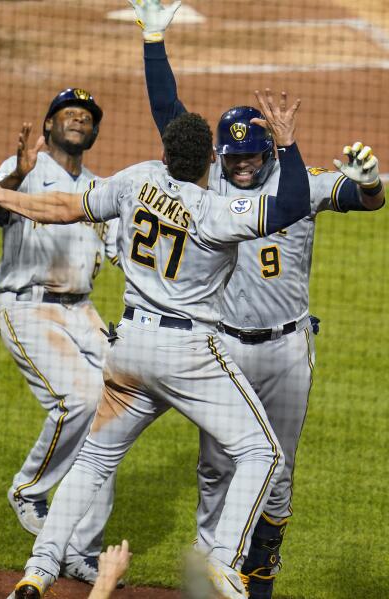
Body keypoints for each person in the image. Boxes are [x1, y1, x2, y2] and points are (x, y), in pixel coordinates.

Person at [0, 88, 311, 599]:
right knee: (262, 451)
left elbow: (64, 208)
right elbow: (292, 201)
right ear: (212, 159)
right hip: (188, 355)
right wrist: (289, 144)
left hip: (129, 349)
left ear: (165, 155)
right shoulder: (217, 212)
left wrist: (6, 196)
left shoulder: (137, 180)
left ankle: (39, 569)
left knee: (96, 458)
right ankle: (224, 559)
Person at [128, 2, 386, 597]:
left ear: (269, 153)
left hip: (289, 352)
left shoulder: (300, 184)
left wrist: (370, 182)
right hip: (222, 351)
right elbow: (170, 117)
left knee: (278, 476)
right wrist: (153, 38)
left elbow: (368, 201)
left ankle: (259, 580)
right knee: (217, 467)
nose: (240, 166)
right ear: (219, 156)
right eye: (232, 156)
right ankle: (205, 572)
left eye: (250, 156)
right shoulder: (210, 183)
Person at [0, 88, 122, 585]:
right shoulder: (27, 168)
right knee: (81, 398)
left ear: (93, 132)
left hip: (83, 313)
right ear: (47, 128)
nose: (77, 120)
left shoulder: (97, 188)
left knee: (115, 414)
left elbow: (120, 253)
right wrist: (17, 175)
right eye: (67, 114)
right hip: (30, 308)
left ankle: (79, 548)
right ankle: (29, 488)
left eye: (85, 117)